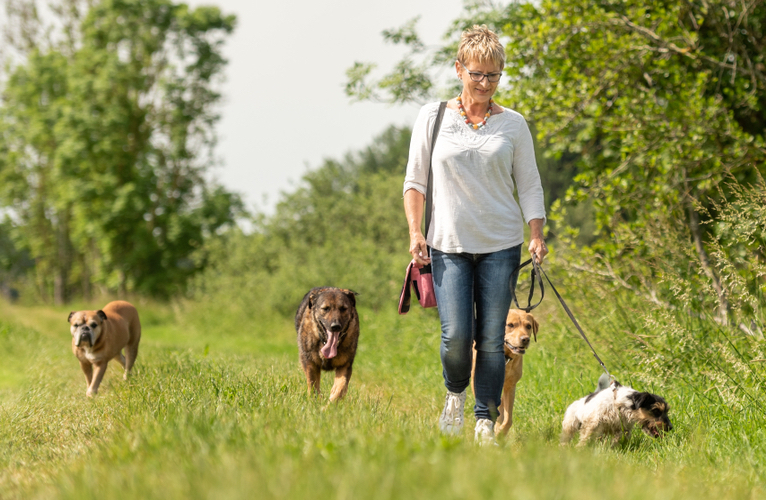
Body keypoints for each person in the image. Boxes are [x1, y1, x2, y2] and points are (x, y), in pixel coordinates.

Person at [403, 25, 548, 445]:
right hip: (446, 244)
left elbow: (531, 184)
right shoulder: (433, 118)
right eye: (476, 74)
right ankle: (454, 395)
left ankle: (485, 418)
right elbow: (415, 181)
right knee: (456, 337)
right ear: (459, 69)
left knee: (490, 337)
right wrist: (416, 233)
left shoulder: (514, 125)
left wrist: (536, 234)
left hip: (501, 244)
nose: (484, 84)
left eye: (493, 76)